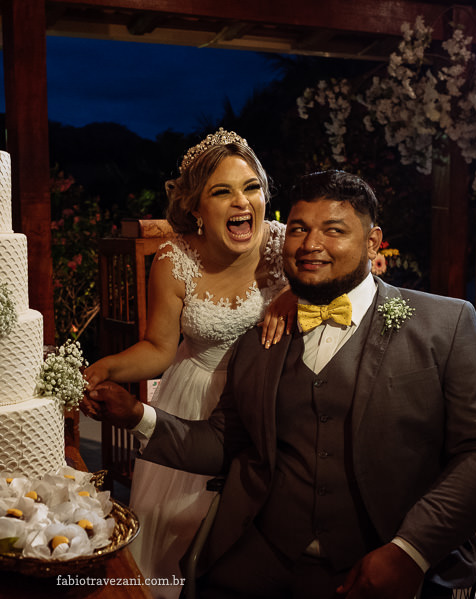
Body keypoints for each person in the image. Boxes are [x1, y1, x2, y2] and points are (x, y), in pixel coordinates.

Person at [83, 170, 476, 599]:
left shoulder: (447, 324)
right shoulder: (259, 339)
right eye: (298, 229)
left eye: (333, 230)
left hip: (383, 561)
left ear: (372, 241)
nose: (311, 245)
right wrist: (137, 416)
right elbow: (223, 441)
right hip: (254, 561)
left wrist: (411, 552)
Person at [83, 128, 294, 596]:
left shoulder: (285, 245)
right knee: (182, 530)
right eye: (222, 192)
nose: (242, 202)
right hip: (195, 400)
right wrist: (107, 367)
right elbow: (159, 348)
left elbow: (350, 264)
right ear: (197, 208)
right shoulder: (174, 261)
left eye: (251, 187)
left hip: (268, 400)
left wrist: (295, 292)